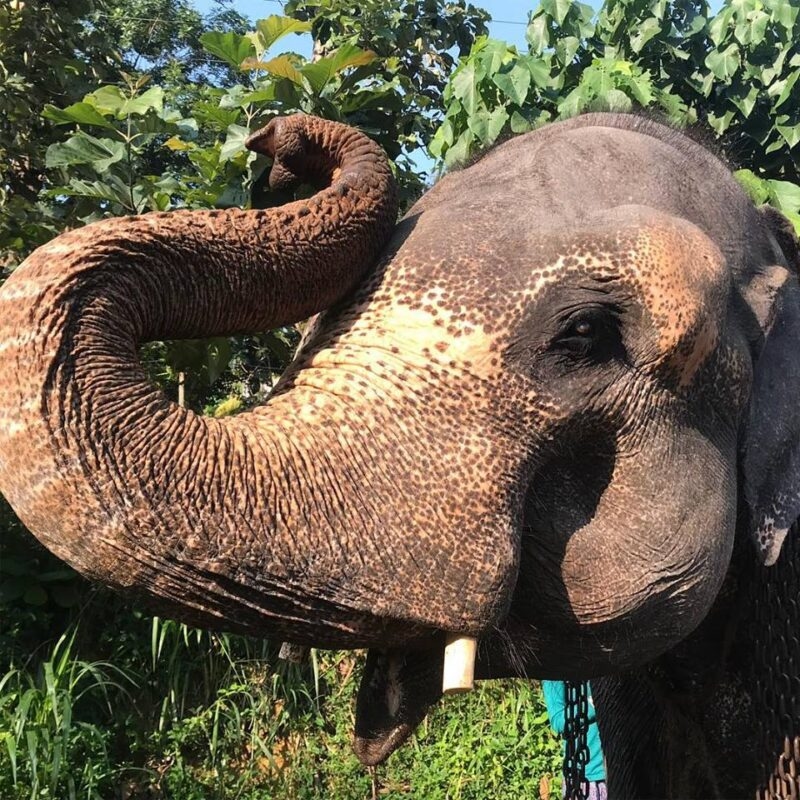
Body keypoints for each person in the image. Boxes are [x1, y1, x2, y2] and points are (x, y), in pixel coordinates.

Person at [541, 680, 607, 800]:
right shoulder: (554, 673)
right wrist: (592, 704)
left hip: (624, 767)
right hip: (588, 777)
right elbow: (558, 721)